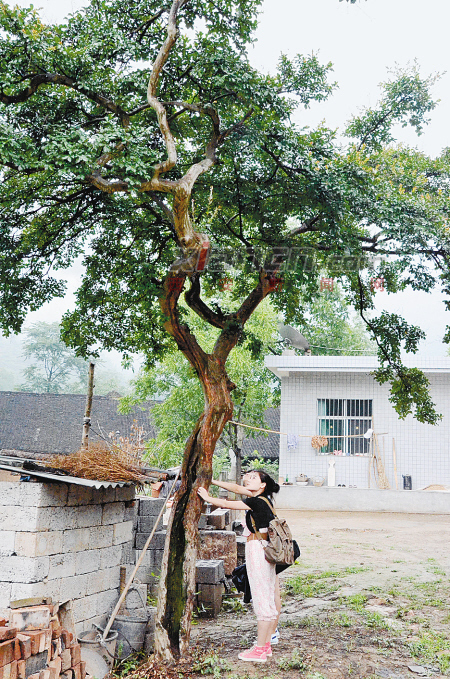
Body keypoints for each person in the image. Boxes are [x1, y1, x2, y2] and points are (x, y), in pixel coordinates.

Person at [197, 470, 281, 663]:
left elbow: (226, 503)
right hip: (266, 549)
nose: (248, 478)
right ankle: (266, 646)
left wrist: (207, 497)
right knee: (267, 597)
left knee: (261, 599)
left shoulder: (256, 501)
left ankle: (259, 650)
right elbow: (236, 488)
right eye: (247, 476)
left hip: (257, 549)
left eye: (253, 477)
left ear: (262, 485)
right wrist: (214, 481)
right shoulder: (265, 499)